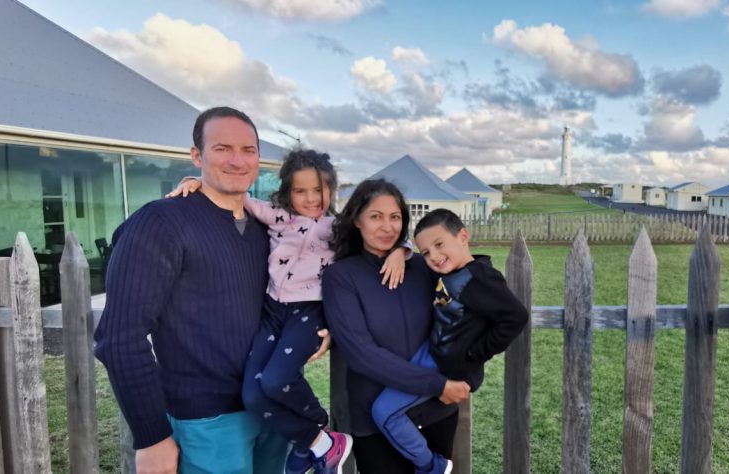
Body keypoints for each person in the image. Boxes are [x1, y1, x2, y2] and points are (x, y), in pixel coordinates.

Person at [94, 106, 323, 473]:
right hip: (207, 423)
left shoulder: (271, 231)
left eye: (248, 150)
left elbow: (300, 292)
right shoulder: (160, 224)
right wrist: (151, 437)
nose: (237, 160)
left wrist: (321, 333)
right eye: (222, 148)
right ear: (197, 155)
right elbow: (120, 338)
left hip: (272, 413)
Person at [166, 149, 411, 473]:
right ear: (287, 192)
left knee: (276, 379)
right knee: (252, 395)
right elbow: (234, 197)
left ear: (331, 190)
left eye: (319, 190)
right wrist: (198, 183)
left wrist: (401, 250)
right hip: (272, 311)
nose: (311, 199)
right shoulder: (276, 215)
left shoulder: (336, 227)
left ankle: (317, 423)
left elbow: (376, 231)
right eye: (300, 190)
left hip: (309, 312)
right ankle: (319, 443)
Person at [321, 179, 472, 473]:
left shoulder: (423, 267)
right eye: (375, 216)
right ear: (356, 221)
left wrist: (404, 251)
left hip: (435, 411)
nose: (387, 227)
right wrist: (436, 384)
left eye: (395, 217)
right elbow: (361, 353)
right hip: (374, 419)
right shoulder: (341, 277)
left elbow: (465, 303)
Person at [371, 208, 529, 473]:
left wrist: (474, 354)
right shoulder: (452, 270)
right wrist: (400, 251)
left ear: (463, 236)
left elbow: (515, 317)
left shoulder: (478, 278)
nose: (434, 256)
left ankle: (431, 465)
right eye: (427, 252)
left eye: (439, 244)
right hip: (431, 353)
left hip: (448, 366)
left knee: (384, 412)